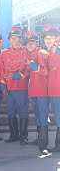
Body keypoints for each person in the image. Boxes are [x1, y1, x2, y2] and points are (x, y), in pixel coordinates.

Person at [0, 27, 29, 145]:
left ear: (20, 39)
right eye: (12, 38)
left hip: (22, 87)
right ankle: (14, 135)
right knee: (10, 111)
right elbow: (1, 70)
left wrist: (18, 76)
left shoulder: (26, 51)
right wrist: (3, 86)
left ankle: (23, 136)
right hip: (10, 87)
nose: (14, 40)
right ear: (9, 40)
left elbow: (29, 69)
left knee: (23, 111)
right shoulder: (5, 53)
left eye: (16, 38)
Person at [23, 31, 49, 155]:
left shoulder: (41, 53)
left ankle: (43, 145)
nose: (30, 45)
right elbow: (28, 72)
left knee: (43, 116)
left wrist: (32, 65)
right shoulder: (30, 55)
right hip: (33, 91)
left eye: (32, 42)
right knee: (38, 115)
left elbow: (45, 71)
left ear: (36, 43)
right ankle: (39, 139)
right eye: (28, 43)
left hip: (42, 90)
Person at [43, 24, 60, 152]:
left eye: (51, 37)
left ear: (57, 38)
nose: (48, 40)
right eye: (46, 38)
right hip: (52, 91)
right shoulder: (48, 53)